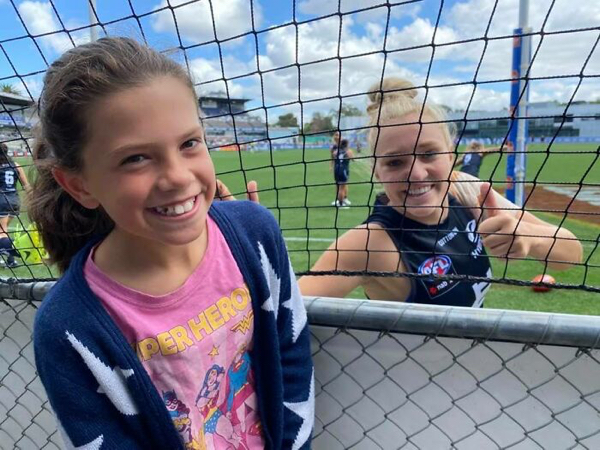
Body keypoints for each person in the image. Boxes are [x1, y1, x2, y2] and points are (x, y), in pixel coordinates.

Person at [31, 37, 313, 450]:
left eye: (189, 143)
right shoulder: (68, 327)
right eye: (135, 158)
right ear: (79, 185)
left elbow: (291, 357)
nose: (178, 176)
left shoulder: (255, 236)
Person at [298, 78, 582, 306]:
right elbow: (289, 314)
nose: (416, 174)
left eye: (429, 154)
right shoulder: (368, 243)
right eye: (395, 162)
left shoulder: (467, 191)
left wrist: (527, 236)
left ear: (450, 155)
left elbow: (571, 253)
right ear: (377, 172)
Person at [0, 142, 30, 267]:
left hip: (1, 200)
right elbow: (26, 185)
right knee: (4, 231)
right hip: (14, 201)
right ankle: (10, 260)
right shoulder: (16, 165)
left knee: (1, 233)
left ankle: (15, 253)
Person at [330, 131, 354, 207]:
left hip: (338, 168)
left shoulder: (336, 150)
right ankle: (340, 201)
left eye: (338, 135)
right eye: (336, 135)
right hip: (342, 169)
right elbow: (352, 158)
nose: (337, 137)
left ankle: (344, 199)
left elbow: (333, 156)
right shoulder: (343, 149)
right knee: (341, 185)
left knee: (342, 185)